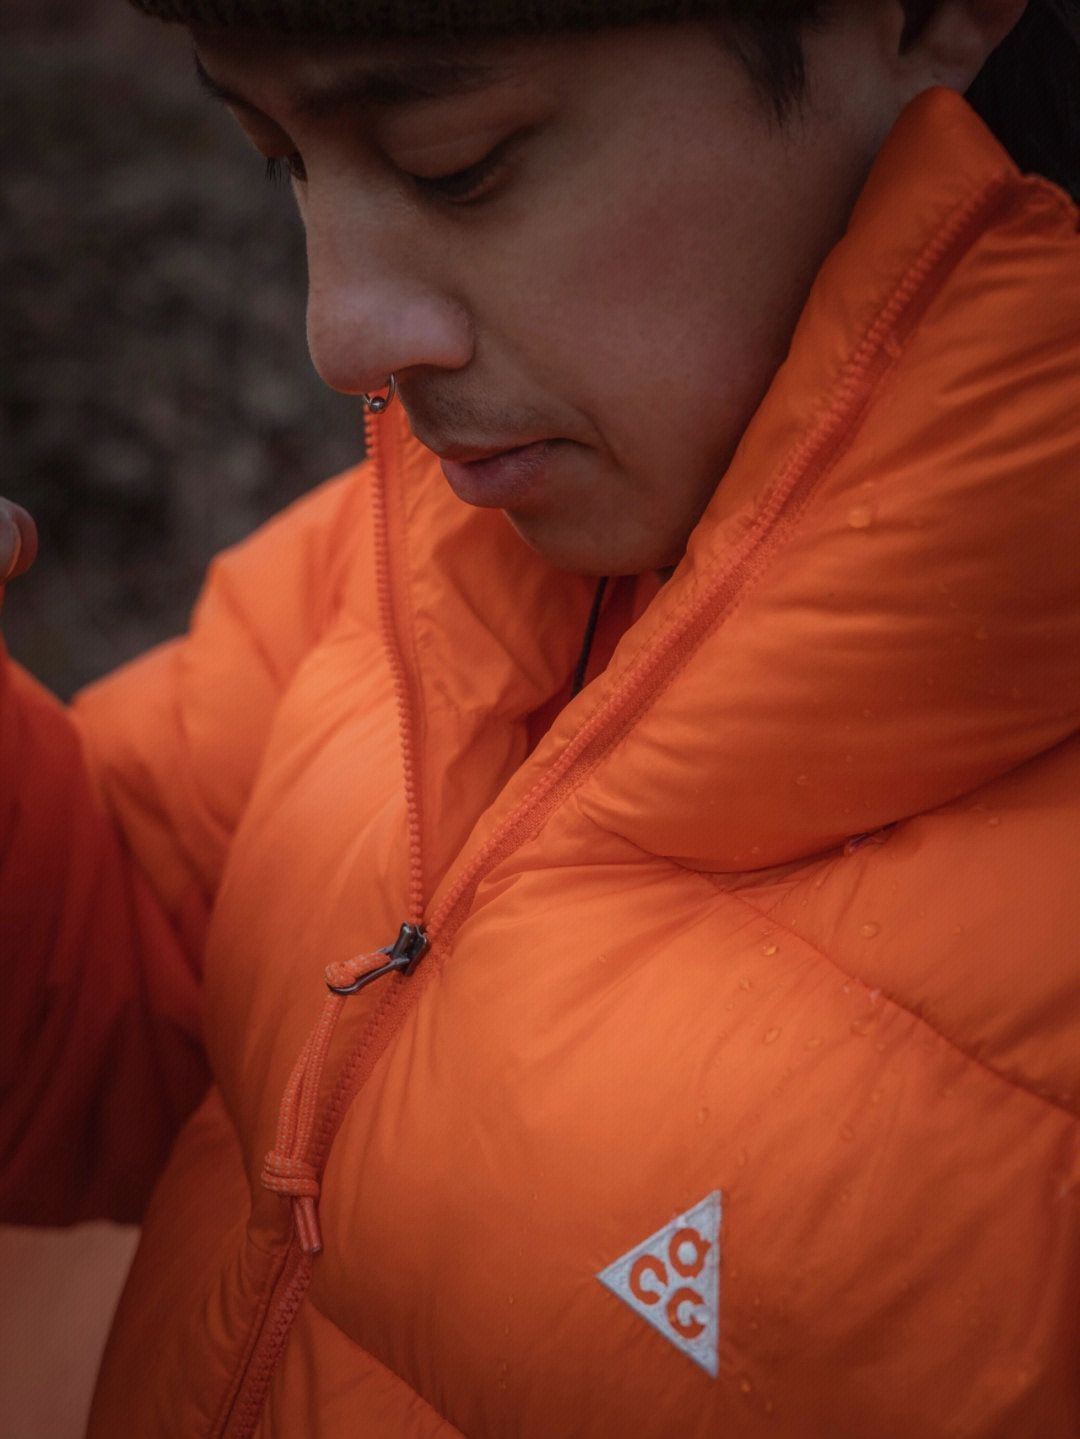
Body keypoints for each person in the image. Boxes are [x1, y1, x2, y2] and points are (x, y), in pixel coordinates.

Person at [2, 1, 1078, 1434]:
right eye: (284, 160)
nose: (343, 335)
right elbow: (124, 987)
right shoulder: (405, 556)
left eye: (455, 164)